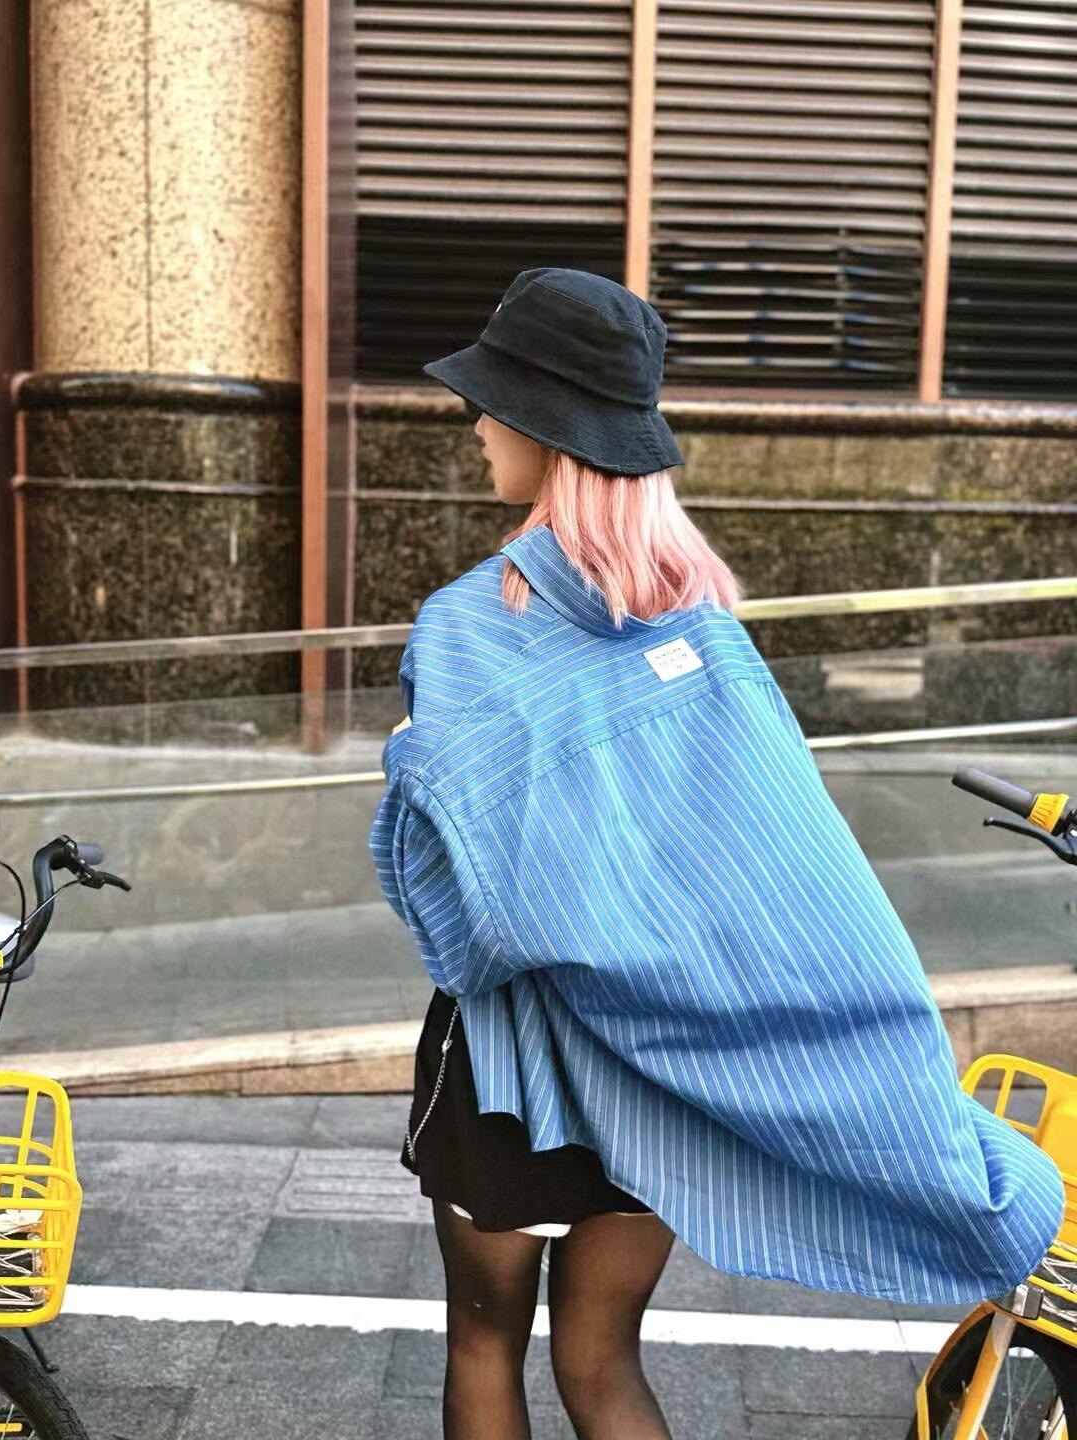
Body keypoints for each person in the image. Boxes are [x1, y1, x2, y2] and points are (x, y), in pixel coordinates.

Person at [368, 268, 1065, 1440]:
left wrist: (410, 772)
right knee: (603, 1360)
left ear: (546, 425)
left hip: (505, 1070)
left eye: (490, 401)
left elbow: (461, 916)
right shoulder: (704, 629)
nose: (474, 421)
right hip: (658, 1078)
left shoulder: (471, 625)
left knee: (484, 1347)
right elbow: (784, 873)